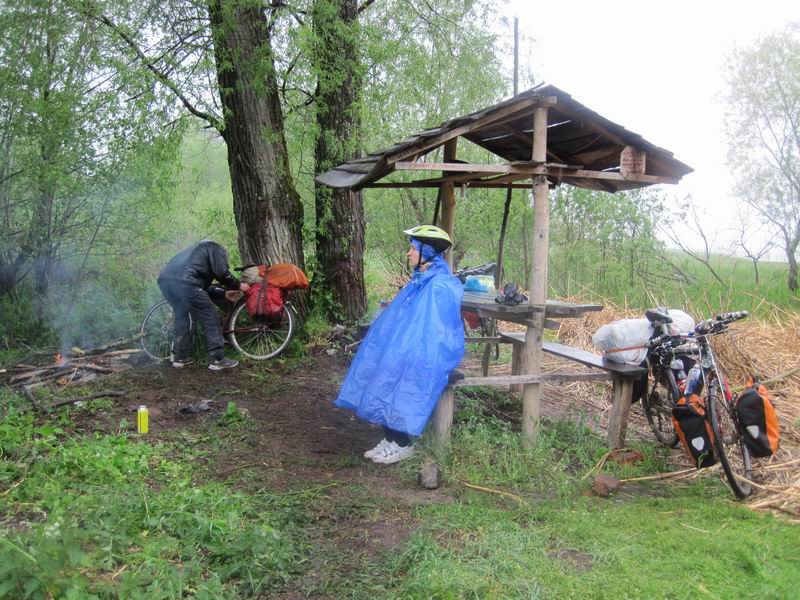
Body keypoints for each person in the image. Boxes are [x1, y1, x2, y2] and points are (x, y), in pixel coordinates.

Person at [334, 225, 465, 464]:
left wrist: (404, 351)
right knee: (378, 371)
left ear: (427, 251)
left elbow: (437, 333)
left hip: (426, 355)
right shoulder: (421, 280)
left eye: (412, 248)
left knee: (394, 379)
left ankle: (404, 444)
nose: (408, 253)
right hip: (408, 348)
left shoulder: (439, 285)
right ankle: (391, 440)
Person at [157, 240, 250, 370]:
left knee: (182, 316)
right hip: (185, 283)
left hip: (166, 282)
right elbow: (221, 273)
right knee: (210, 316)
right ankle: (217, 359)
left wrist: (223, 293)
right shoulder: (216, 248)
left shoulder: (195, 253)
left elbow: (200, 285)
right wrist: (239, 285)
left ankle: (179, 357)